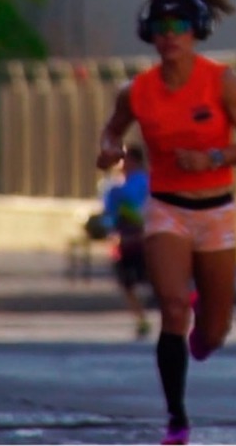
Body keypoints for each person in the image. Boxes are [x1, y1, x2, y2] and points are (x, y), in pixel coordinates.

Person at [96, 0, 236, 446]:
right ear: (149, 34)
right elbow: (112, 129)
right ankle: (176, 418)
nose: (170, 35)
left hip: (216, 212)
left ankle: (204, 333)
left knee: (213, 331)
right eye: (161, 27)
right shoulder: (137, 91)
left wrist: (215, 157)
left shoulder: (222, 81)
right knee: (173, 308)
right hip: (166, 210)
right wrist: (109, 148)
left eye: (179, 26)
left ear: (196, 31)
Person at [100, 143, 152, 339]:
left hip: (144, 240)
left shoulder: (145, 183)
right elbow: (108, 214)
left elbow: (148, 210)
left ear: (135, 161)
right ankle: (141, 319)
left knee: (154, 280)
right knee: (126, 283)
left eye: (124, 159)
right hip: (122, 240)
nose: (121, 164)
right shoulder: (113, 186)